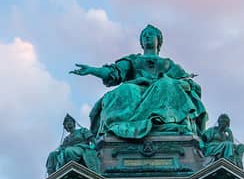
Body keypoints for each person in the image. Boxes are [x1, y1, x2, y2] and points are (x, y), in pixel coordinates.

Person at [71, 24, 207, 140]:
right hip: (138, 88)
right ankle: (126, 125)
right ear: (141, 42)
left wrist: (183, 84)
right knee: (126, 90)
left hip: (164, 90)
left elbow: (188, 82)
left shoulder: (168, 63)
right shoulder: (133, 60)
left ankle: (160, 120)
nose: (147, 36)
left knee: (167, 84)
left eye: (151, 34)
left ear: (158, 41)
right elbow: (114, 73)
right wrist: (92, 70)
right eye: (144, 35)